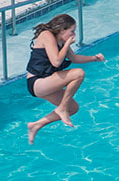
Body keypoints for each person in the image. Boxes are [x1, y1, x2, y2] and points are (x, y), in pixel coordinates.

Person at [25, 13, 106, 143]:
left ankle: (36, 125)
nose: (73, 35)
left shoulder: (61, 41)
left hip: (48, 81)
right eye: (71, 31)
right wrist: (67, 43)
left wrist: (94, 58)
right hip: (37, 82)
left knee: (73, 108)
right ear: (62, 29)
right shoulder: (47, 35)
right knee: (78, 73)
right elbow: (56, 62)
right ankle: (61, 108)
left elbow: (74, 58)